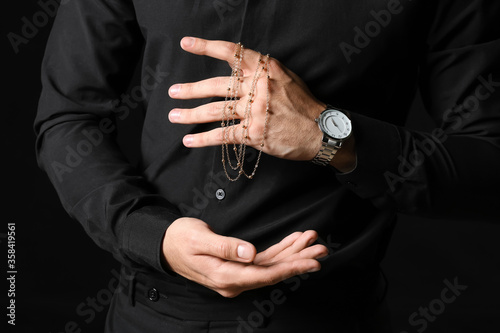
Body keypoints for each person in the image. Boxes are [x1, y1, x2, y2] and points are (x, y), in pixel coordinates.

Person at [35, 1, 500, 332]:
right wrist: (151, 234)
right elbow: (68, 117)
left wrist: (329, 136)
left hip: (330, 315)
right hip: (153, 311)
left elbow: (489, 162)